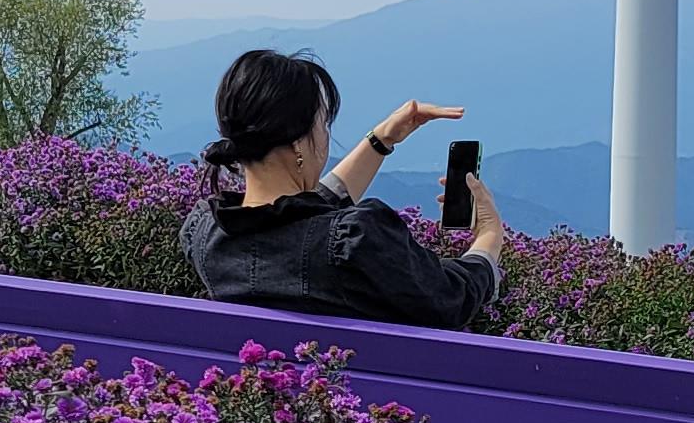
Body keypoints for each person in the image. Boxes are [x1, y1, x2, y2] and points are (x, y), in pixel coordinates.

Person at [181, 49, 509, 331]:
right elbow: (450, 299)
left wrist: (381, 141)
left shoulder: (205, 234)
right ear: (298, 142)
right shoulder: (357, 240)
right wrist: (489, 238)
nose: (325, 136)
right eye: (323, 124)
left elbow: (292, 223)